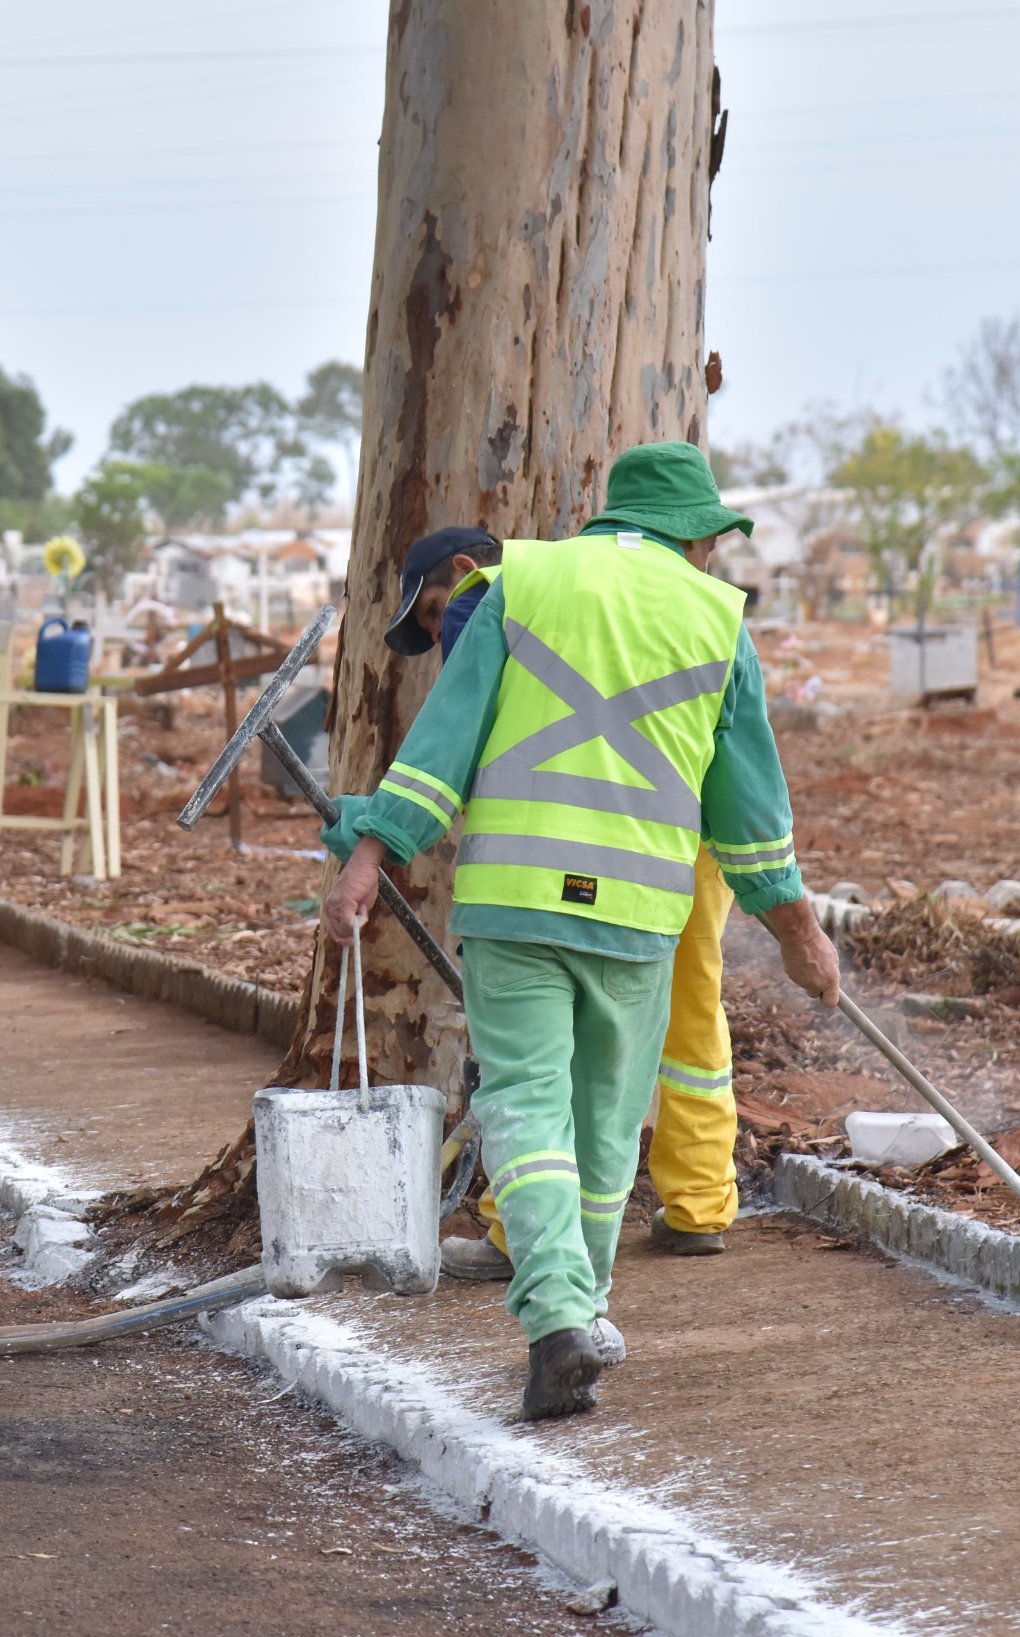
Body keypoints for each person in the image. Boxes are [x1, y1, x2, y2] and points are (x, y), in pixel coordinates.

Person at [326, 442, 840, 1420]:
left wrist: (370, 855)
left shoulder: (520, 582)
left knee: (521, 1103)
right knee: (606, 1127)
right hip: (640, 915)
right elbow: (749, 817)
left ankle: (561, 1312)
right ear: (697, 534)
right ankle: (578, 1305)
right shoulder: (719, 622)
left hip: (512, 900)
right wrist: (800, 937)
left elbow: (443, 745)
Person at [384, 529, 746, 1280]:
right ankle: (699, 1204)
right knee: (692, 1015)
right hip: (686, 837)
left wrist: (381, 830)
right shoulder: (663, 599)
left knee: (545, 1059)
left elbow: (473, 743)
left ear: (462, 568)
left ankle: (522, 1238)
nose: (438, 630)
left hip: (573, 855)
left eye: (428, 612)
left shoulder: (492, 594)